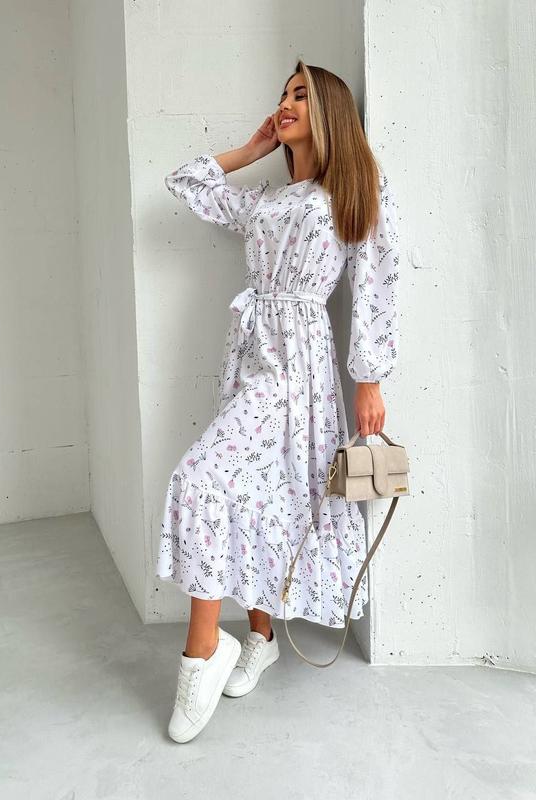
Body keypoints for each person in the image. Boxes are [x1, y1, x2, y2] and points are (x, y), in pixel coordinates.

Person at [156, 60, 401, 743]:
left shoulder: (353, 187)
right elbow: (188, 181)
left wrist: (370, 378)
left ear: (330, 111)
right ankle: (259, 637)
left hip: (300, 367)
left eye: (301, 95)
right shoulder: (266, 200)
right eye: (283, 95)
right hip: (249, 354)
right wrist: (254, 147)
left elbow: (376, 276)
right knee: (254, 491)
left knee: (201, 480)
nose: (287, 103)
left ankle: (202, 654)